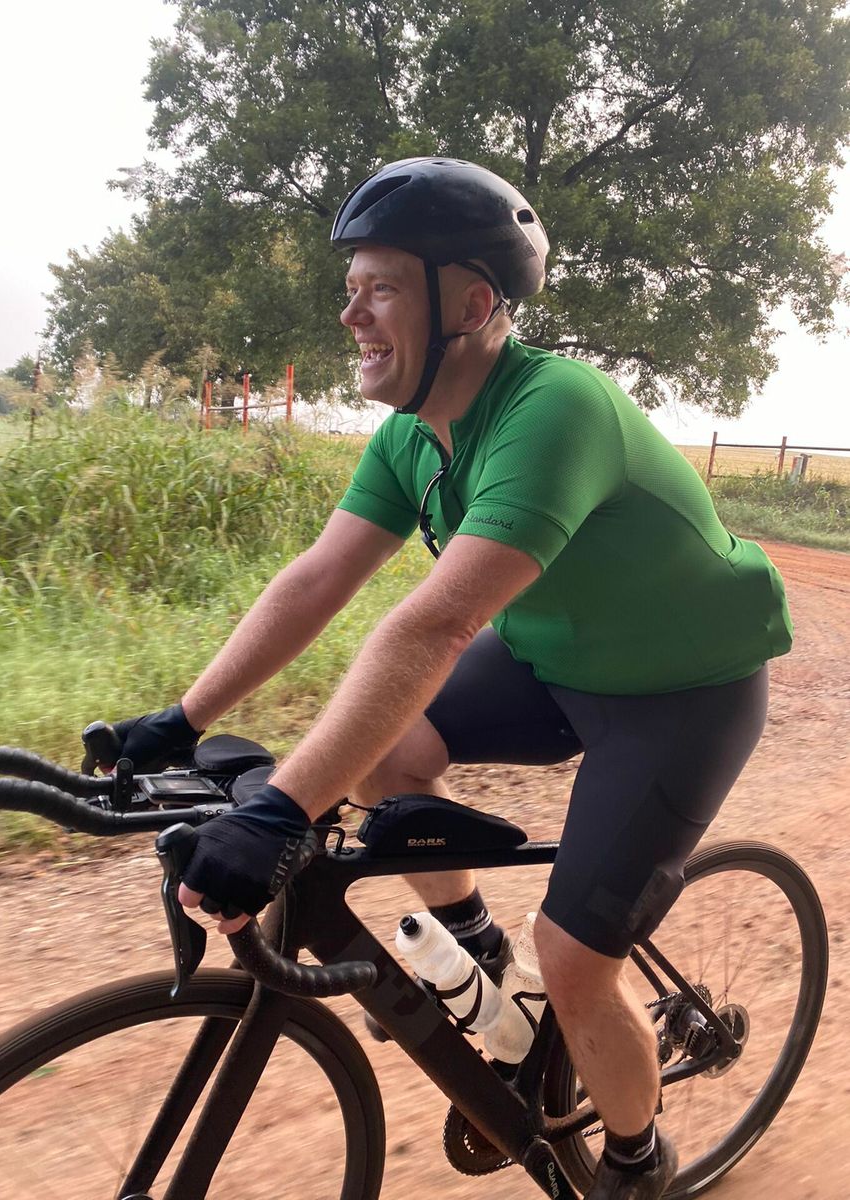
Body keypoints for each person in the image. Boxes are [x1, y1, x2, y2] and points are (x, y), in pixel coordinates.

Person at [101, 158, 792, 1200]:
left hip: (682, 691)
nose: (351, 315)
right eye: (351, 288)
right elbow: (317, 580)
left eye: (380, 288)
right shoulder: (411, 439)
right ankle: (483, 962)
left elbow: (434, 623)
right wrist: (182, 718)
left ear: (471, 305)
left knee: (576, 960)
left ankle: (636, 1161)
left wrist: (282, 810)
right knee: (379, 751)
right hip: (551, 656)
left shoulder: (556, 408)